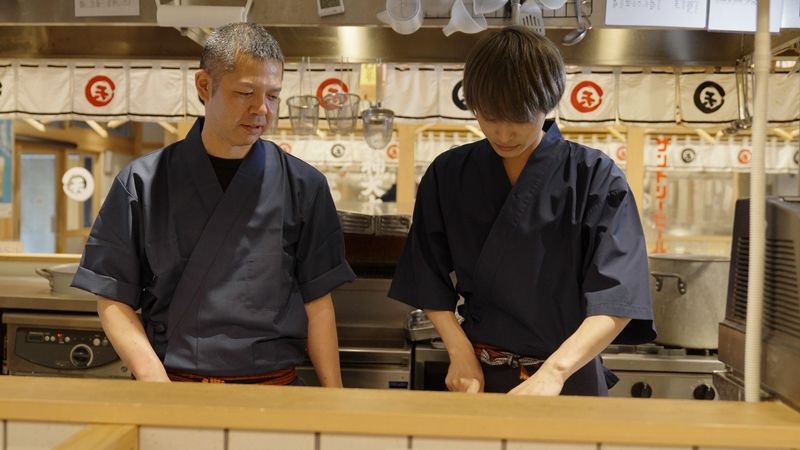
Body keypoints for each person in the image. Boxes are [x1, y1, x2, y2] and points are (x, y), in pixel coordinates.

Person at [72, 23, 355, 386]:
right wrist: (157, 384)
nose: (262, 109)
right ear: (204, 86)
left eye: (273, 96)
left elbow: (318, 305)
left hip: (274, 390)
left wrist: (334, 397)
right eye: (245, 92)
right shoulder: (142, 183)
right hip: (173, 387)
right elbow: (112, 298)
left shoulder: (304, 185)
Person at [388, 26, 655, 396]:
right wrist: (459, 351)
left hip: (569, 377)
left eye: (518, 118)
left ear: (548, 102)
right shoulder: (448, 174)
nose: (502, 133)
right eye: (488, 116)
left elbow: (619, 296)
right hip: (479, 376)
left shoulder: (595, 176)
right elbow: (425, 274)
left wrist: (555, 373)